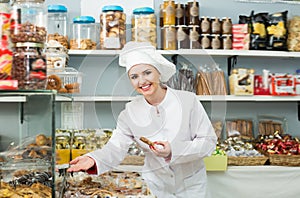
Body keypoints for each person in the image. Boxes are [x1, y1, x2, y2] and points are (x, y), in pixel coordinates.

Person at [67, 41, 218, 198]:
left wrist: (173, 150)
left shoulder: (188, 101)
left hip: (191, 186)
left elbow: (208, 142)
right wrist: (93, 159)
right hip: (155, 187)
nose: (142, 81)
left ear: (158, 73)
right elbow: (115, 148)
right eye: (134, 77)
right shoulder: (129, 112)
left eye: (147, 73)